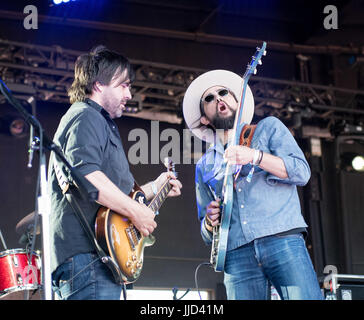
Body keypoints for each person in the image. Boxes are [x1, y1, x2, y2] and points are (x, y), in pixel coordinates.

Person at [48, 45, 182, 300]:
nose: (129, 94)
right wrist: (137, 213)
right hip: (89, 258)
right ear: (98, 85)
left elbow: (120, 193)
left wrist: (157, 186)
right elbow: (86, 175)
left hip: (98, 260)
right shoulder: (86, 116)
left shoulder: (97, 121)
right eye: (123, 85)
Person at [183, 69, 323, 300]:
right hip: (237, 254)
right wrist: (209, 221)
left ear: (237, 102)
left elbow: (302, 173)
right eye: (209, 98)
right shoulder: (204, 165)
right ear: (205, 119)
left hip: (282, 238)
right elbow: (207, 234)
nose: (218, 99)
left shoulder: (268, 128)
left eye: (223, 92)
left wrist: (255, 157)